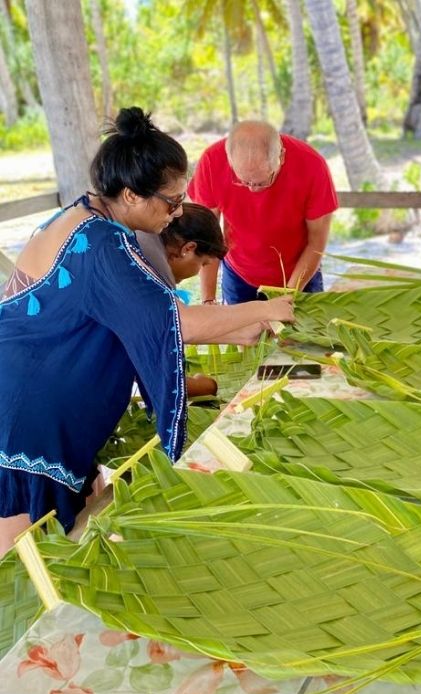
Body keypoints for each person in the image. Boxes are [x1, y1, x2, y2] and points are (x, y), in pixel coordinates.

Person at [0, 107, 294, 555]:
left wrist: (238, 330)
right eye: (171, 202)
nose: (177, 215)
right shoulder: (101, 244)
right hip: (24, 413)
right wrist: (267, 308)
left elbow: (136, 320)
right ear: (132, 195)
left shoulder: (87, 217)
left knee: (60, 540)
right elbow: (168, 322)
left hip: (33, 397)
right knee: (20, 570)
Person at [187, 120, 338, 304]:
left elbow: (316, 242)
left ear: (281, 157)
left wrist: (289, 295)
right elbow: (207, 237)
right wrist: (208, 300)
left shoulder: (312, 165)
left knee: (295, 332)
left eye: (262, 182)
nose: (253, 190)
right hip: (239, 273)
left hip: (299, 272)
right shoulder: (212, 161)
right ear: (230, 159)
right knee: (241, 332)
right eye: (243, 181)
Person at [137, 202, 229, 397]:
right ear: (188, 248)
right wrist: (208, 386)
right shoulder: (150, 278)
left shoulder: (141, 243)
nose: (198, 272)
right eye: (203, 263)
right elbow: (157, 379)